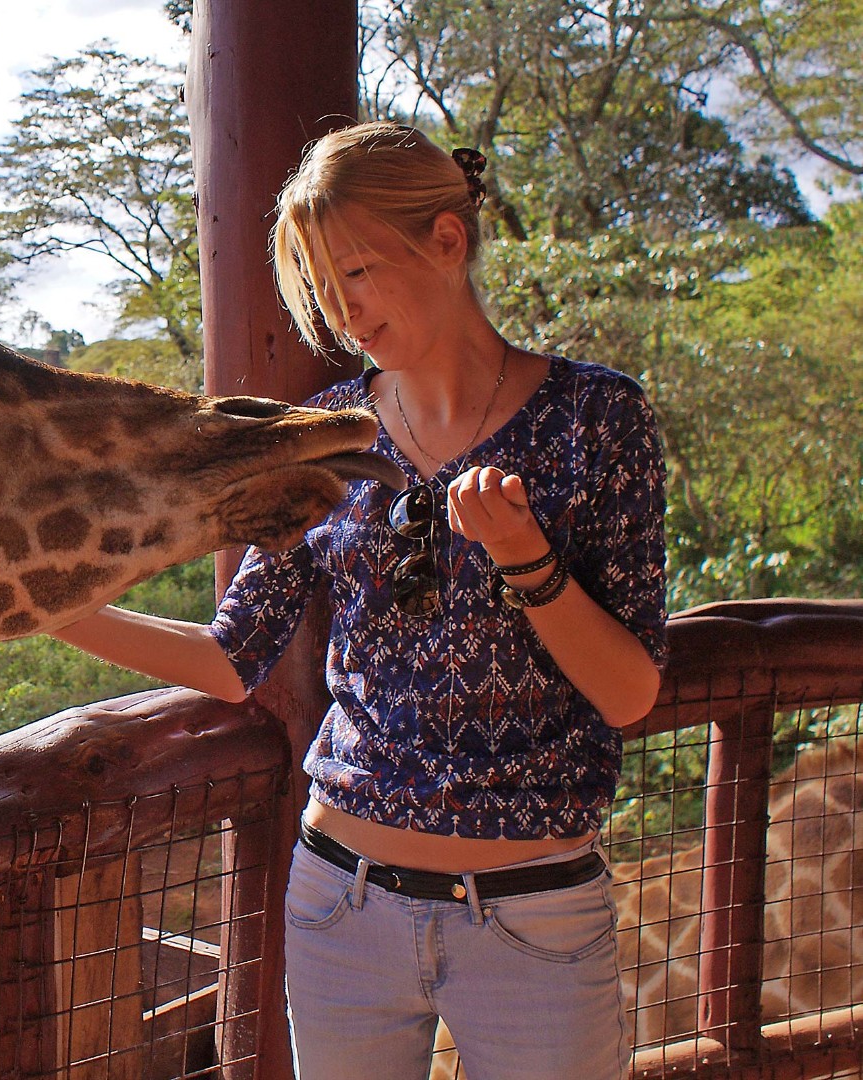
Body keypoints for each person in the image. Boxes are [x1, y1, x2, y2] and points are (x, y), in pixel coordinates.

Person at [50, 121, 668, 1079]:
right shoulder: (330, 442)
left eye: (358, 274)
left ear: (447, 242)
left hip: (535, 915)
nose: (342, 313)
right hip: (342, 905)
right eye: (321, 288)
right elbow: (229, 655)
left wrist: (527, 560)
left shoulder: (596, 420)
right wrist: (55, 612)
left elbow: (629, 694)